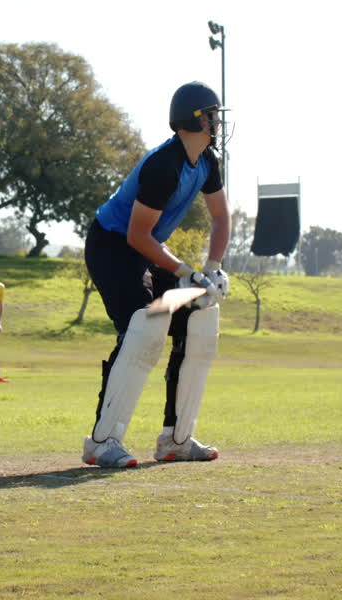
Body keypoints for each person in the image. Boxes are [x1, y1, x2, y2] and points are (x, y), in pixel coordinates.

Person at [81, 81, 230, 468]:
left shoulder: (208, 163)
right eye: (212, 115)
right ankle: (102, 441)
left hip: (143, 250)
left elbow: (220, 216)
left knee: (199, 311)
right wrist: (185, 270)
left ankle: (175, 440)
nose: (217, 122)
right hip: (113, 247)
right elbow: (136, 235)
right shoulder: (165, 166)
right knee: (142, 326)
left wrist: (211, 272)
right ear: (194, 120)